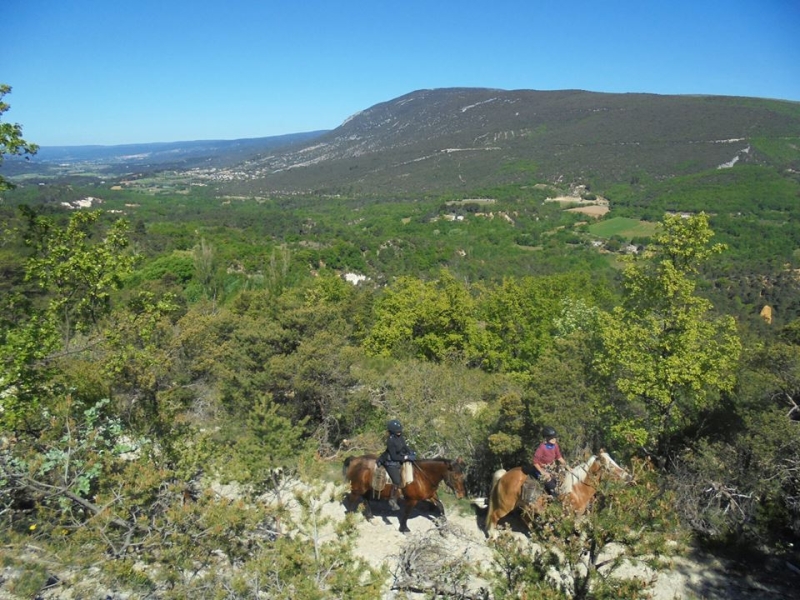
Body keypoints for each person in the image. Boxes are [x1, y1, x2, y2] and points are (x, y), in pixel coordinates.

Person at [377, 419, 415, 510]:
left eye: (400, 431)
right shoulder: (390, 441)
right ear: (392, 431)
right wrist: (405, 458)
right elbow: (394, 456)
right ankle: (392, 499)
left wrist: (411, 452)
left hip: (399, 458)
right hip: (391, 462)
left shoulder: (400, 437)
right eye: (397, 431)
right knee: (397, 481)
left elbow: (404, 446)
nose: (399, 432)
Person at [523, 426, 567, 496]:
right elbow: (535, 462)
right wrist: (543, 472)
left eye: (554, 437)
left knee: (562, 477)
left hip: (551, 468)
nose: (554, 439)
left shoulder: (555, 445)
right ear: (546, 438)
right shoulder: (542, 448)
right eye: (551, 437)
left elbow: (559, 457)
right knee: (549, 480)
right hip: (540, 469)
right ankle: (553, 497)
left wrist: (568, 467)